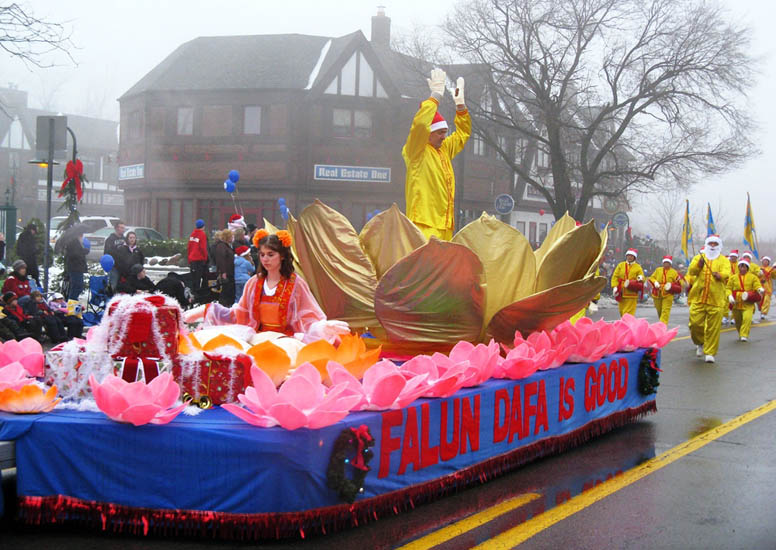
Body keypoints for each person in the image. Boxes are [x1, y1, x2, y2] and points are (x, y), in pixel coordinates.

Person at [193, 229, 348, 342]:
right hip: (257, 339)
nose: (265, 259)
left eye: (270, 255)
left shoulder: (296, 284)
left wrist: (322, 328)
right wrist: (209, 310)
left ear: (282, 256)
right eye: (262, 255)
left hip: (286, 341)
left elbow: (309, 317)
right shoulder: (253, 283)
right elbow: (239, 314)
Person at [403, 68, 471, 241]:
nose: (444, 136)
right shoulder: (416, 151)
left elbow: (462, 134)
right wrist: (435, 97)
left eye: (445, 132)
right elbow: (419, 125)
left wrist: (461, 106)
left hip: (445, 226)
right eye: (440, 132)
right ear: (428, 133)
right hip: (423, 226)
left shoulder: (444, 150)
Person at [687, 234, 731, 363]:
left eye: (715, 244)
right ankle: (700, 342)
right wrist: (699, 265)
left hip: (716, 299)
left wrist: (720, 275)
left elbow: (727, 273)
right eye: (710, 243)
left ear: (719, 246)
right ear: (706, 244)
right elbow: (691, 271)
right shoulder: (699, 257)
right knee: (695, 324)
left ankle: (710, 352)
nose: (712, 246)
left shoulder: (724, 260)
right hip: (698, 297)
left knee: (713, 328)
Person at [726, 258, 764, 342]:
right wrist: (729, 296)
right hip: (736, 302)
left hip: (748, 302)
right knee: (738, 321)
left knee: (747, 319)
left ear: (747, 267)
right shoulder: (733, 277)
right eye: (741, 266)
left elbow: (756, 285)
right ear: (738, 267)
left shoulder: (753, 277)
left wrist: (759, 289)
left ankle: (744, 335)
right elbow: (728, 288)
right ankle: (741, 333)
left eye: (744, 267)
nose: (742, 268)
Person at [648, 255, 683, 324]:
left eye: (668, 263)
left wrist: (671, 286)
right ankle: (662, 323)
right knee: (659, 311)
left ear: (670, 264)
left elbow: (678, 283)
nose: (666, 264)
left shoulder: (674, 272)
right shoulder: (658, 270)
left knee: (665, 311)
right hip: (657, 293)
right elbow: (651, 278)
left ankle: (662, 326)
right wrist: (655, 282)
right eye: (665, 262)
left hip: (668, 294)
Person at [610, 248, 644, 317]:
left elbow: (642, 278)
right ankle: (625, 323)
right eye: (628, 255)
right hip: (621, 291)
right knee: (621, 311)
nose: (629, 257)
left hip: (631, 292)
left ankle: (626, 323)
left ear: (634, 257)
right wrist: (614, 286)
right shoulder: (621, 265)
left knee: (628, 313)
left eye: (631, 256)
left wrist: (640, 278)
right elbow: (615, 276)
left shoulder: (638, 267)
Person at [64, 231, 90, 301]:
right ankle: (72, 301)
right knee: (77, 287)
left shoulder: (77, 242)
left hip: (77, 268)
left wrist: (84, 250)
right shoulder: (73, 242)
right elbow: (74, 254)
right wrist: (83, 251)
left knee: (78, 287)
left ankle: (73, 301)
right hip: (75, 268)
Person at [213, 229, 235, 306]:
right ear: (227, 237)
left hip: (229, 271)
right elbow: (221, 260)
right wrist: (223, 272)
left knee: (228, 288)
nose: (232, 238)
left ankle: (227, 304)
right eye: (231, 236)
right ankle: (223, 305)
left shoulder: (226, 246)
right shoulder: (221, 246)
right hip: (226, 272)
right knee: (226, 289)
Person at [104, 220, 127, 292]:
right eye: (121, 228)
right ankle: (110, 297)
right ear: (116, 228)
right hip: (114, 267)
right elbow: (107, 253)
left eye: (124, 228)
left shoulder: (125, 239)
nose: (123, 229)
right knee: (113, 285)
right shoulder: (110, 239)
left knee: (122, 286)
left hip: (123, 267)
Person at [188, 219, 209, 297]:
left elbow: (189, 247)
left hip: (192, 260)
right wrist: (205, 257)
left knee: (195, 279)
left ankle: (194, 294)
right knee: (204, 277)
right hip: (200, 259)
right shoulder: (202, 234)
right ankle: (202, 294)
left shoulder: (193, 234)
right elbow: (203, 248)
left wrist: (189, 258)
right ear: (203, 226)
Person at [757, 256, 775, 322]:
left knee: (766, 300)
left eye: (766, 261)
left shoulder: (771, 269)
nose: (765, 262)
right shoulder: (758, 268)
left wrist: (774, 270)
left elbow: (774, 277)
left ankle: (763, 313)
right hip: (759, 286)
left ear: (768, 262)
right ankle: (760, 309)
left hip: (768, 286)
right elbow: (755, 276)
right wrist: (759, 273)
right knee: (759, 299)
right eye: (764, 260)